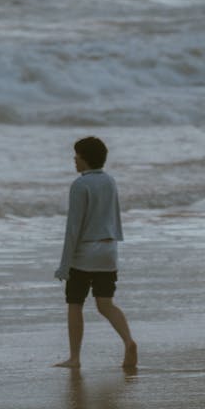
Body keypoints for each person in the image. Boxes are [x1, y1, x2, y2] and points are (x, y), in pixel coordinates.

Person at [54, 136, 137, 371]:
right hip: (109, 249)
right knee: (106, 304)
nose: (74, 160)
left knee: (75, 303)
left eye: (77, 156)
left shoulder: (80, 185)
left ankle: (74, 358)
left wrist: (64, 265)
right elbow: (115, 216)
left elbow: (73, 228)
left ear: (85, 159)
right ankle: (129, 341)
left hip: (86, 251)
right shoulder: (110, 181)